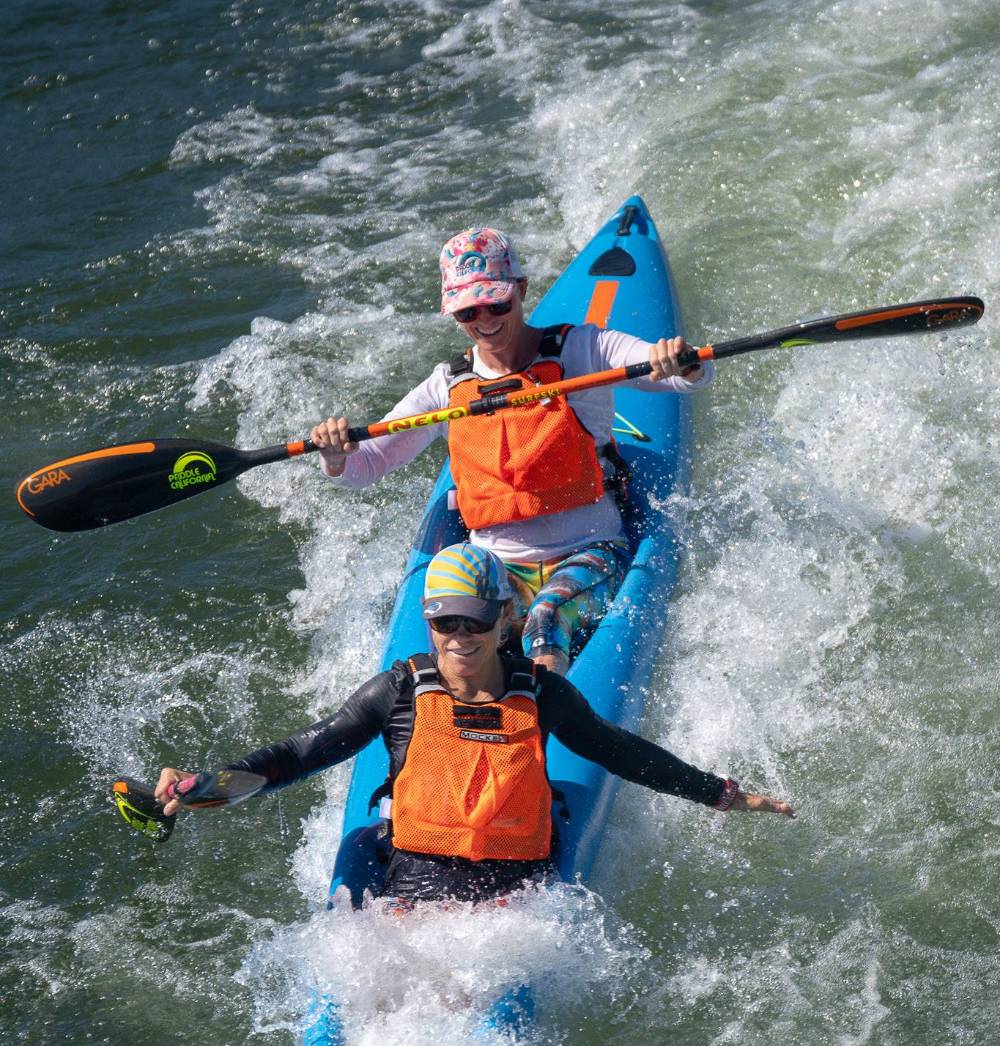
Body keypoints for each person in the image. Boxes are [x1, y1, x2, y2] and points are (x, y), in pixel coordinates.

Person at [156, 544, 794, 907]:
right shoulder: (397, 691)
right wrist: (206, 786)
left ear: (504, 619)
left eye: (476, 620)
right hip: (412, 875)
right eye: (444, 621)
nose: (459, 636)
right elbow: (302, 753)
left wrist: (723, 794)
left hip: (511, 889)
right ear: (428, 621)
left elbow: (621, 752)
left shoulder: (542, 694)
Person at [309, 227, 714, 676]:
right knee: (458, 632)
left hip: (588, 551)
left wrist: (680, 362)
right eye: (468, 311)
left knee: (546, 618)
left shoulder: (584, 349)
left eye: (497, 304)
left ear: (520, 290)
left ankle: (545, 708)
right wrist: (336, 456)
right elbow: (367, 466)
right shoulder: (446, 386)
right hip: (496, 567)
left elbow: (685, 377)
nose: (484, 319)